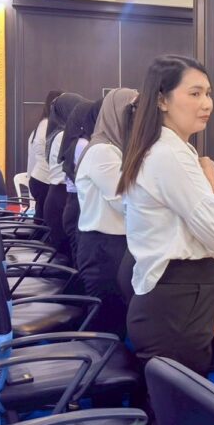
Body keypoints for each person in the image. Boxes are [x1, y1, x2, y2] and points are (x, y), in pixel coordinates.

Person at [117, 55, 214, 376]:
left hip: (174, 299)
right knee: (177, 402)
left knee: (167, 397)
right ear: (162, 100)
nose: (207, 103)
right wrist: (212, 179)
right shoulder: (169, 154)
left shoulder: (168, 147)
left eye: (208, 93)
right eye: (194, 93)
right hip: (177, 304)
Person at [76, 88, 137, 338]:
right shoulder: (103, 151)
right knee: (108, 327)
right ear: (117, 114)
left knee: (117, 321)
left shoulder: (115, 150)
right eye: (133, 112)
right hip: (104, 249)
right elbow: (126, 202)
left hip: (112, 246)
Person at [59, 98, 101, 264]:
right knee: (79, 260)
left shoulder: (77, 142)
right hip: (77, 204)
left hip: (73, 203)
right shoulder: (83, 144)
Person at [44, 92, 85, 259]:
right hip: (61, 196)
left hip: (57, 194)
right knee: (67, 255)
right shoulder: (64, 135)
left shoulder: (57, 133)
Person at [26, 90, 62, 220]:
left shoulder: (43, 124)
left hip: (40, 178)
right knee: (45, 220)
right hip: (44, 179)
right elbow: (45, 154)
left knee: (42, 219)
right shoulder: (47, 124)